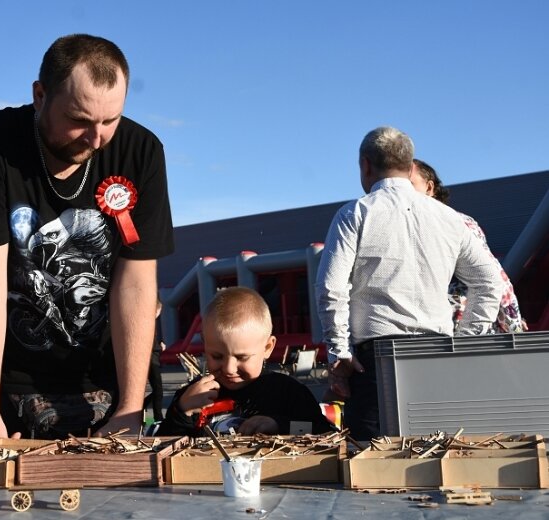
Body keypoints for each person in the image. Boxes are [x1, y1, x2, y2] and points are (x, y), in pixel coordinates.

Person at [0, 34, 174, 439]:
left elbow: (137, 284)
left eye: (110, 120)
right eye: (80, 120)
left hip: (110, 378)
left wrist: (130, 408)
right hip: (17, 383)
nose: (96, 138)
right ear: (39, 95)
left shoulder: (143, 151)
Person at [315, 127, 503, 441]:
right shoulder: (450, 218)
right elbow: (488, 281)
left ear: (365, 165)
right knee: (437, 450)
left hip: (376, 358)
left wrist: (339, 353)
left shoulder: (355, 214)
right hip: (438, 353)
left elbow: (330, 289)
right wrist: (466, 341)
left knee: (373, 458)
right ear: (411, 166)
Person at [158, 287, 334, 437]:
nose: (229, 368)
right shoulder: (192, 395)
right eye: (217, 356)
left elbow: (323, 433)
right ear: (205, 344)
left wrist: (279, 425)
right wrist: (182, 411)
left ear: (267, 347)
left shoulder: (288, 392)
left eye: (242, 357)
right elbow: (160, 447)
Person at [411, 159, 527, 333]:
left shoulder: (457, 223)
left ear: (429, 188)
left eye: (409, 184)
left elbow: (494, 277)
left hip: (460, 328)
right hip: (432, 329)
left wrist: (513, 326)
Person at [144, 298, 165, 422]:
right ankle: (158, 417)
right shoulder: (148, 323)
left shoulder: (152, 323)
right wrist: (158, 347)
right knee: (158, 389)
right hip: (151, 359)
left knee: (157, 390)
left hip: (153, 357)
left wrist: (160, 343)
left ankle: (144, 406)